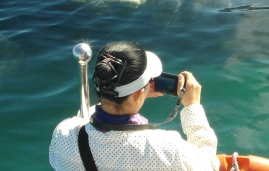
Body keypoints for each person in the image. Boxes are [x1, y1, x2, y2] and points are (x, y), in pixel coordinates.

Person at [49, 41, 219, 171]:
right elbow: (209, 165)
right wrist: (192, 107)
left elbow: (88, 122)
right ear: (138, 94)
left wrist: (137, 94)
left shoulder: (63, 134)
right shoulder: (167, 150)